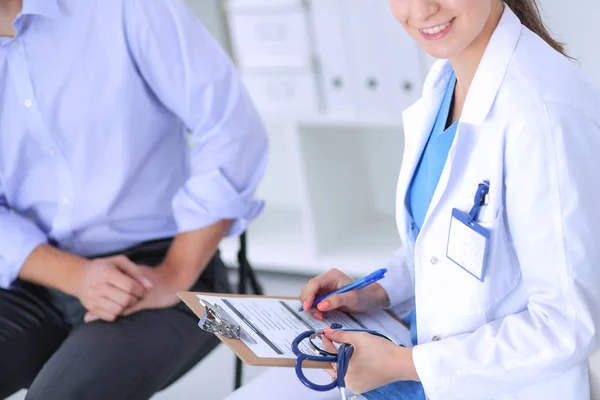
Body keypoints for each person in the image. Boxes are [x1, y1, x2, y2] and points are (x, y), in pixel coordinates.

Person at [226, 0, 600, 399]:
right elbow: (451, 237)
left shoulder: (544, 115)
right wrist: (376, 292)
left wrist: (402, 365)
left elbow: (568, 325)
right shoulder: (447, 80)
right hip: (413, 360)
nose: (422, 9)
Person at [0, 0, 267, 399]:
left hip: (161, 268)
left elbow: (232, 130)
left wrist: (175, 272)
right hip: (31, 274)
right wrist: (76, 276)